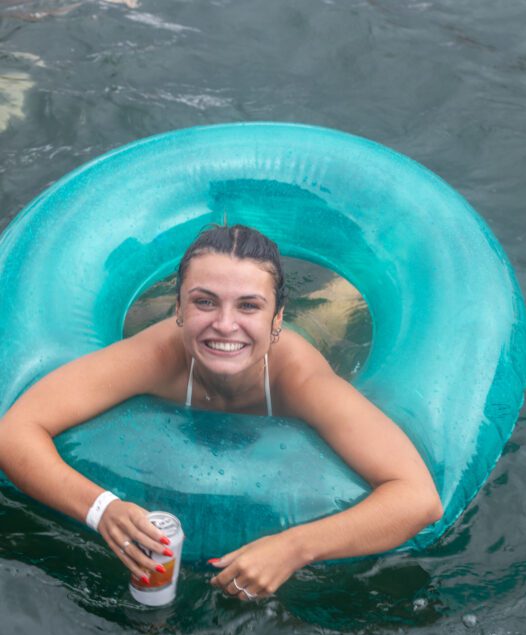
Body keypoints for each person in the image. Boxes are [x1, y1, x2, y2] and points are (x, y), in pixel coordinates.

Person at [0, 224, 442, 601]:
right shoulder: (155, 356)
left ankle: (340, 291)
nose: (225, 323)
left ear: (277, 318)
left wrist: (294, 548)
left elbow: (417, 498)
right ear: (178, 307)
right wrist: (102, 509)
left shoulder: (302, 381)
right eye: (204, 301)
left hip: (312, 337)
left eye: (249, 305)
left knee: (336, 310)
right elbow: (15, 431)